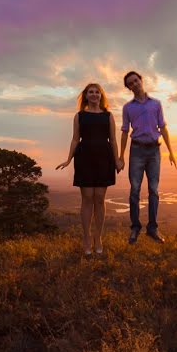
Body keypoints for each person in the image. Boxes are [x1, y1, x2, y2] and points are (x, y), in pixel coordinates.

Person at [56, 83, 123, 255]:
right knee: (87, 198)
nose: (94, 95)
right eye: (90, 92)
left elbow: (113, 140)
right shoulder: (79, 116)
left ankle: (98, 238)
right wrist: (68, 159)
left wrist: (117, 160)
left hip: (104, 157)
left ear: (101, 96)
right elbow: (75, 139)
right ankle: (86, 238)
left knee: (100, 198)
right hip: (84, 157)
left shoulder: (108, 116)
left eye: (97, 92)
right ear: (86, 96)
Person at [117, 71, 176, 244]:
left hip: (154, 152)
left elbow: (163, 128)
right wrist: (121, 156)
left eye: (136, 81)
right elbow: (124, 132)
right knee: (134, 190)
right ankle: (135, 228)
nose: (134, 84)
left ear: (141, 80)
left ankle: (153, 228)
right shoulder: (128, 108)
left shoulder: (156, 104)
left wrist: (171, 152)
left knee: (153, 190)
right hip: (136, 150)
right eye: (130, 83)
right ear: (128, 88)